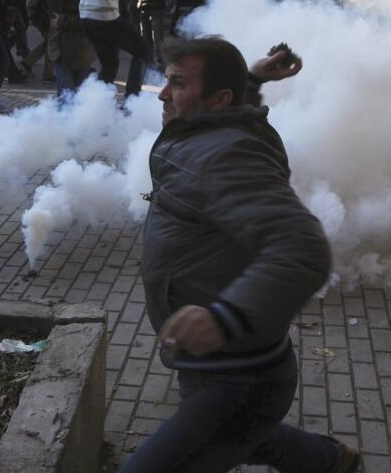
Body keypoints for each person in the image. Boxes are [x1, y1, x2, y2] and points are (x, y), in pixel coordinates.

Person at [120, 37, 360, 473]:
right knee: (243, 438)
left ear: (218, 99)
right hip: (214, 367)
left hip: (240, 378)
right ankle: (331, 462)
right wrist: (250, 80)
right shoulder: (218, 130)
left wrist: (224, 318)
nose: (162, 93)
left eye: (178, 83)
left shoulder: (225, 155)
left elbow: (301, 249)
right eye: (167, 80)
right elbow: (231, 115)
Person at [26, 0, 92, 95]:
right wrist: (46, 28)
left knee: (81, 93)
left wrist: (62, 21)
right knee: (65, 93)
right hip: (58, 46)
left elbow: (90, 14)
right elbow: (31, 6)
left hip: (81, 44)